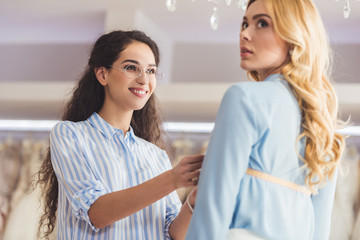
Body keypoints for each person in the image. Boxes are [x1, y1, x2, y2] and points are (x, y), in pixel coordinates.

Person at [185, 0, 346, 239]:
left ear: (294, 35)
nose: (244, 34)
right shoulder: (322, 125)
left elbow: (211, 215)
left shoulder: (242, 98)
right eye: (244, 23)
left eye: (262, 23)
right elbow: (320, 232)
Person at [36, 30, 203, 240]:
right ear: (102, 74)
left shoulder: (156, 156)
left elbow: (175, 233)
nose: (144, 80)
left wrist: (196, 200)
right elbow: (96, 213)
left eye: (151, 71)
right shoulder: (70, 135)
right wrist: (172, 180)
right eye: (132, 68)